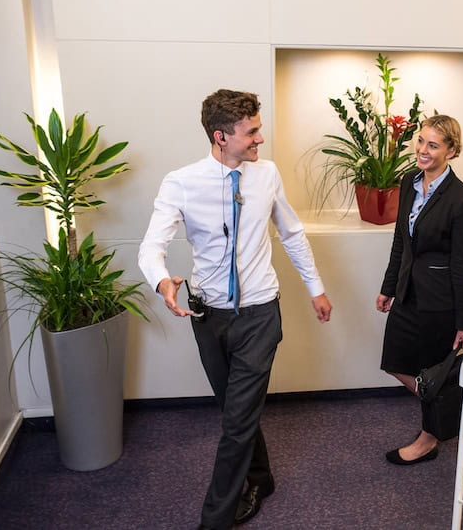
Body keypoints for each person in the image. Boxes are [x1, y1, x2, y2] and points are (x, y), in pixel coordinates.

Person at [138, 89, 332, 530]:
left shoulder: (267, 175)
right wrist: (162, 279)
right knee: (235, 412)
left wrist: (315, 288)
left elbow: (293, 233)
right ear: (221, 136)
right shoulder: (181, 182)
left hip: (260, 315)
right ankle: (261, 478)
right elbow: (152, 246)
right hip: (209, 317)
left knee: (236, 422)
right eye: (252, 132)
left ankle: (215, 519)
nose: (260, 139)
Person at [376, 114, 463, 465]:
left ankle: (427, 438)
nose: (422, 150)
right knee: (395, 361)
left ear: (451, 150)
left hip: (440, 301)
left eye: (433, 145)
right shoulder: (408, 182)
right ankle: (445, 404)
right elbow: (400, 241)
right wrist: (388, 286)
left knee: (432, 368)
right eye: (421, 141)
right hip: (407, 291)